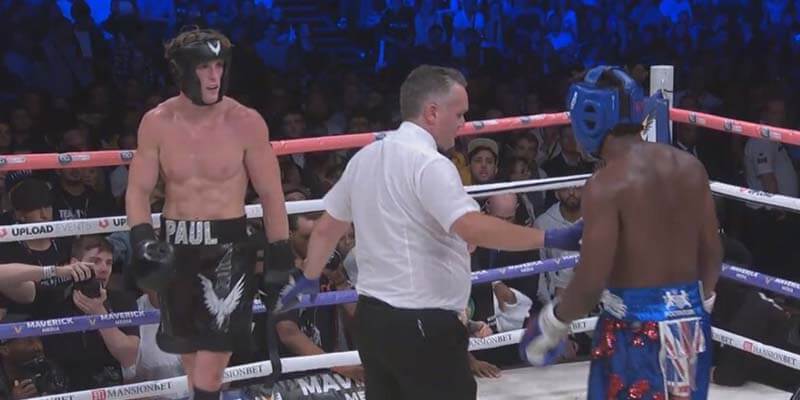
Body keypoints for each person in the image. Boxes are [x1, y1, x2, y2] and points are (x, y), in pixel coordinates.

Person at [277, 65, 583, 400]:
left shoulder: (365, 157)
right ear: (432, 112)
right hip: (422, 323)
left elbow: (325, 229)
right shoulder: (430, 164)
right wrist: (549, 238)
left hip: (374, 320)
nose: (464, 123)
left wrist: (308, 277)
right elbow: (471, 226)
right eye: (460, 113)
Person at [520, 66, 721, 400]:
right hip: (690, 327)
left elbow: (589, 283)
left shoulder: (606, 185)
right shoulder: (690, 167)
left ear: (589, 117)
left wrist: (551, 325)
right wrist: (697, 306)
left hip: (634, 331)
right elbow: (712, 251)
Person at [125, 28, 294, 400]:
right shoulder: (157, 122)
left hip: (228, 250)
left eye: (219, 65)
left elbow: (270, 192)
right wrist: (141, 239)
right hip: (176, 244)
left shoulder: (246, 121)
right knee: (190, 360)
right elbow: (138, 189)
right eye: (204, 67)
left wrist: (280, 248)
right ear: (183, 71)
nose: (214, 76)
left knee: (211, 369)